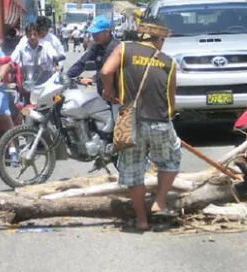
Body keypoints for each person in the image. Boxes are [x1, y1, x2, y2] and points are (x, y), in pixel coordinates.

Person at [100, 20, 181, 231]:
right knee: (170, 160)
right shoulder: (168, 62)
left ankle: (141, 220)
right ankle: (159, 202)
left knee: (133, 170)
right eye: (163, 40)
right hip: (159, 121)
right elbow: (171, 101)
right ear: (157, 39)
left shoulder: (124, 48)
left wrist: (109, 92)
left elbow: (106, 72)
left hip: (130, 123)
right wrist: (169, 116)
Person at [67, 16, 120, 95]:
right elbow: (82, 62)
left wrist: (93, 79)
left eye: (97, 33)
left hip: (114, 89)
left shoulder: (116, 47)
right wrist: (67, 76)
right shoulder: (97, 46)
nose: (94, 36)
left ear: (107, 32)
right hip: (101, 87)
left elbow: (107, 71)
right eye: (93, 33)